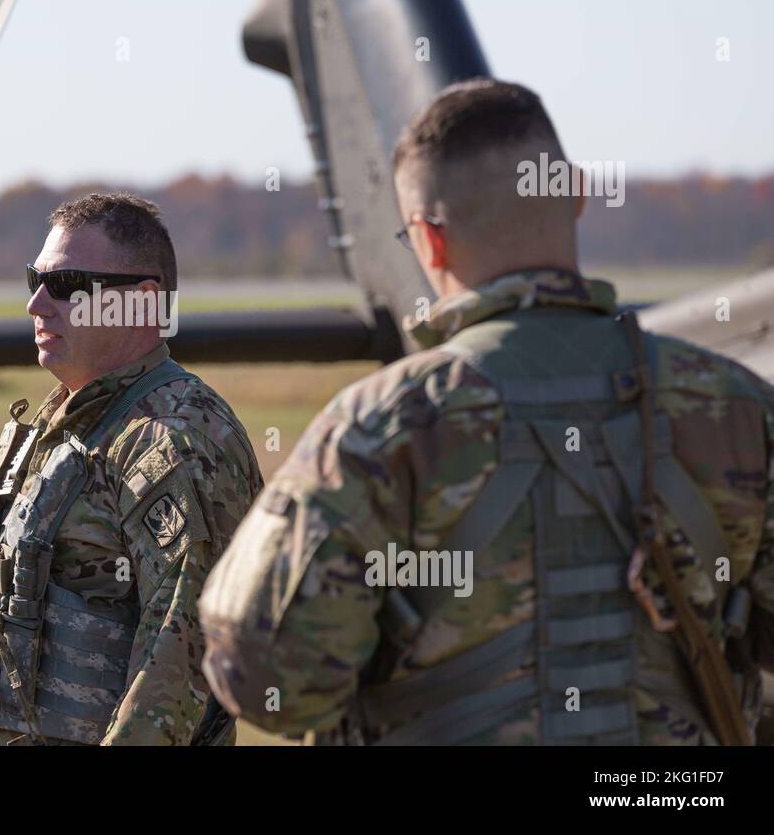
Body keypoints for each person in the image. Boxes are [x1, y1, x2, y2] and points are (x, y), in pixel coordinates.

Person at [199, 79, 774, 745]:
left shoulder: (378, 426)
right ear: (579, 196)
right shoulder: (737, 404)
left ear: (427, 241)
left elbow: (268, 683)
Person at [0, 192, 263, 745]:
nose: (38, 304)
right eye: (35, 280)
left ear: (141, 303)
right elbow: (39, 579)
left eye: (70, 285)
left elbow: (186, 645)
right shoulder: (79, 416)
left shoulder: (175, 438)